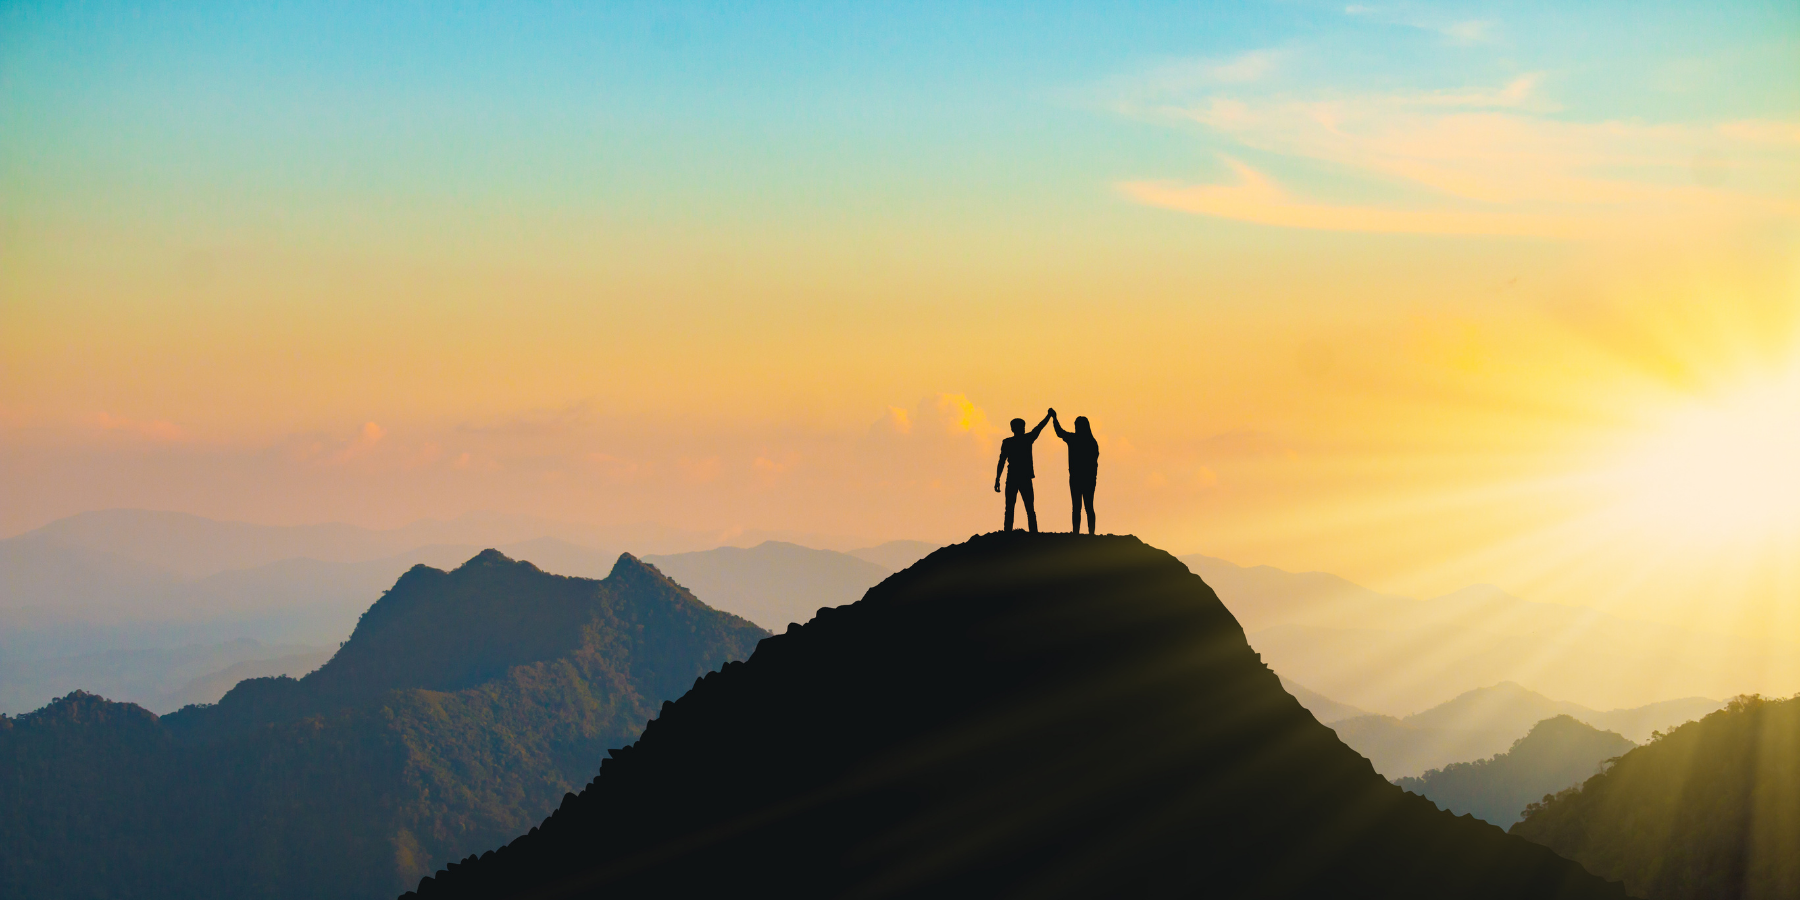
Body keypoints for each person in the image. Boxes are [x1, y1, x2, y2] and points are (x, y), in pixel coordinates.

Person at [994, 409, 1054, 532]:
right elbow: (1039, 427)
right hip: (1024, 478)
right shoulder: (1026, 439)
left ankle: (1008, 533)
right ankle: (1033, 534)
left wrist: (997, 479)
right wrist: (1049, 416)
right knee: (1028, 508)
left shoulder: (1008, 442)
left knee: (1011, 508)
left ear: (1012, 429)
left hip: (1013, 478)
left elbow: (1001, 462)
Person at [1053, 412, 1099, 534]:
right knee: (1086, 507)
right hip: (1087, 479)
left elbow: (1059, 432)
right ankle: (1089, 534)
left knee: (1079, 507)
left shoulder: (1074, 439)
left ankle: (1077, 533)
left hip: (1078, 478)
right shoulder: (1092, 442)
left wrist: (1054, 418)